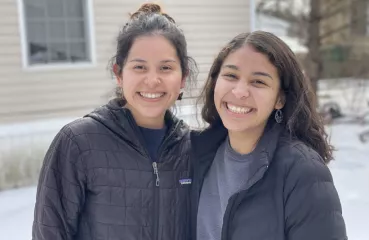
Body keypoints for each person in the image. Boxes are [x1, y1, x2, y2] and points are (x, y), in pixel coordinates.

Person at [32, 3, 197, 240]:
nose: (152, 80)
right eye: (139, 67)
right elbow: (50, 232)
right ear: (119, 73)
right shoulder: (78, 142)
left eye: (166, 68)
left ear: (183, 78)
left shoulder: (193, 148)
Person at [191, 31, 347, 240]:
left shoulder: (302, 172)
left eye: (258, 82)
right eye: (231, 76)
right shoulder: (194, 154)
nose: (239, 91)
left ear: (279, 99)